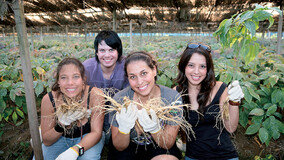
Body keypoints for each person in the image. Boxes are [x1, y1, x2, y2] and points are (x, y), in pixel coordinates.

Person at [175, 43, 244, 160]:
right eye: (191, 65)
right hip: (193, 156)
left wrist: (234, 102)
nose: (196, 72)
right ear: (183, 66)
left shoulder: (220, 89)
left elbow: (231, 128)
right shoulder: (176, 93)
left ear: (208, 69)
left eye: (202, 66)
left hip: (224, 156)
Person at [108, 51, 182, 160]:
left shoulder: (171, 97)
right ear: (127, 78)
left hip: (159, 144)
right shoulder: (120, 99)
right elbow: (119, 146)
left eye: (144, 73)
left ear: (154, 70)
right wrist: (124, 128)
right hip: (128, 145)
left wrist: (155, 129)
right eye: (133, 77)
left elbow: (167, 144)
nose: (140, 82)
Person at [40, 58, 105, 160]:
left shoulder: (95, 95)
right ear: (58, 82)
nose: (70, 83)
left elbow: (96, 133)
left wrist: (75, 150)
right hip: (60, 139)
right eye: (64, 78)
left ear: (83, 79)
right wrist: (61, 125)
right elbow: (47, 141)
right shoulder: (49, 99)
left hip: (88, 138)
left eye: (75, 77)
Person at [83, 30, 129, 143]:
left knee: (111, 139)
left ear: (118, 51)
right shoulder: (87, 68)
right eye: (102, 50)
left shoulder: (127, 66)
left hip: (118, 113)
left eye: (111, 50)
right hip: (93, 113)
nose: (107, 55)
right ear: (97, 52)